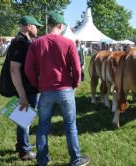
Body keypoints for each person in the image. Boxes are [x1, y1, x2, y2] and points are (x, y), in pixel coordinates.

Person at [25, 12, 90, 166]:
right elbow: (77, 69)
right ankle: (76, 159)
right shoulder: (68, 43)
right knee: (70, 126)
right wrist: (75, 84)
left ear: (48, 25)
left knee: (42, 127)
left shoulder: (36, 43)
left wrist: (37, 84)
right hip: (65, 89)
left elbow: (28, 69)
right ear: (61, 26)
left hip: (46, 91)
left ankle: (42, 160)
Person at [0, 15, 42, 160]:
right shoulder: (19, 42)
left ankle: (23, 143)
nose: (38, 29)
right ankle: (24, 151)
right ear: (29, 26)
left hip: (27, 88)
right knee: (25, 119)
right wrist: (22, 95)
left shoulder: (23, 41)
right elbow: (14, 69)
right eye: (36, 26)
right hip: (25, 89)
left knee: (24, 119)